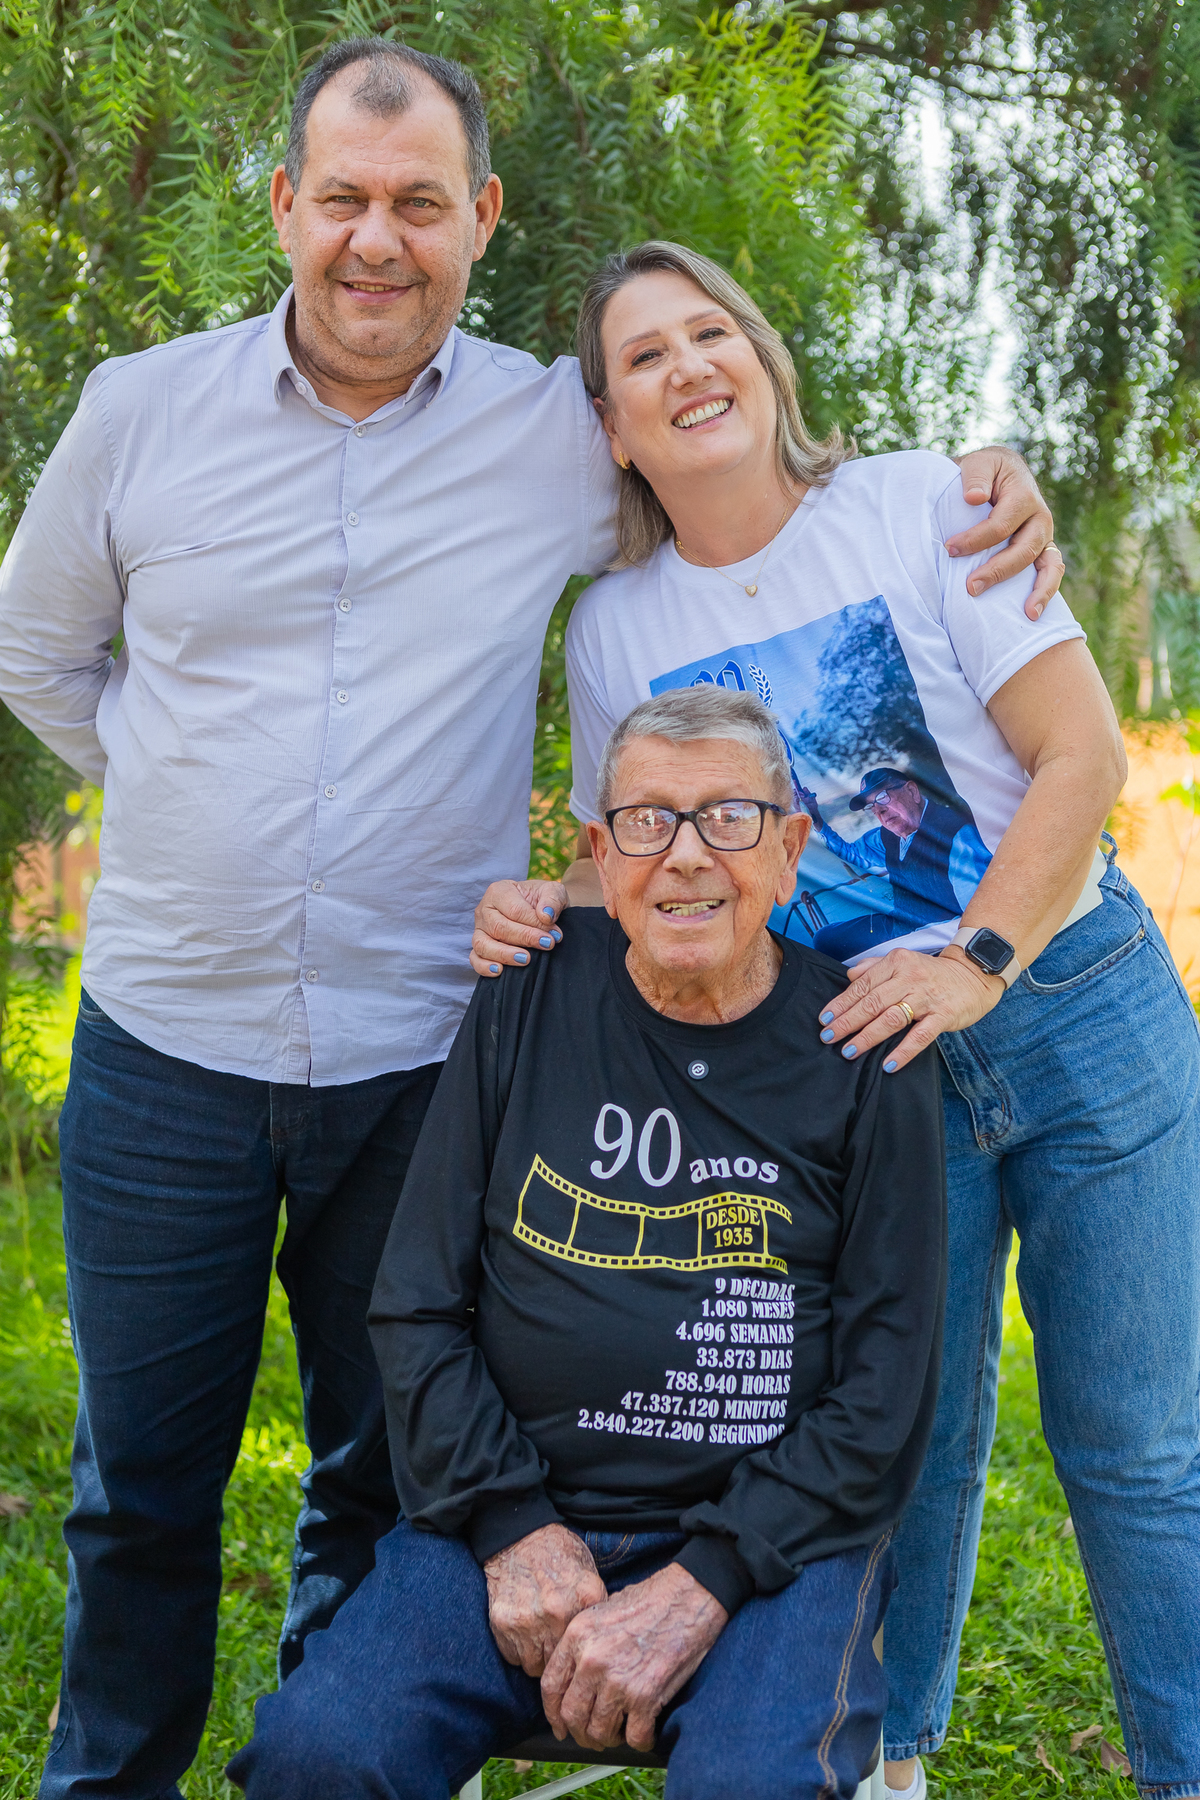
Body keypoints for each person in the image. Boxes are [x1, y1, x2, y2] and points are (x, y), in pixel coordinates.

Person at [0, 31, 1057, 1796]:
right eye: (345, 199)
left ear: (481, 218)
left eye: (420, 204)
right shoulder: (136, 411)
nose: (377, 240)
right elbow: (37, 656)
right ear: (286, 204)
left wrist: (972, 482)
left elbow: (736, 462)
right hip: (171, 1035)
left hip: (420, 1048)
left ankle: (347, 1741)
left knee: (376, 1477)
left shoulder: (550, 434)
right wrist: (191, 797)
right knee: (138, 1488)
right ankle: (107, 1779)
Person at [472, 239, 1200, 1800]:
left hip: (1076, 1005)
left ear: (764, 357)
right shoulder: (613, 631)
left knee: (1140, 1447)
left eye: (711, 331)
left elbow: (1079, 755)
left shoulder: (920, 506)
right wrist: (544, 901)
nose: (688, 366)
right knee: (906, 1445)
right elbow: (642, 856)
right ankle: (886, 1765)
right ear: (614, 428)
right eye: (645, 357)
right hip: (867, 1068)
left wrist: (976, 960)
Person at [226, 688, 948, 1800]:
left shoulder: (864, 1045)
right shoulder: (525, 998)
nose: (687, 855)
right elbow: (417, 1302)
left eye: (730, 817)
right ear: (602, 859)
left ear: (790, 849)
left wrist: (709, 1576)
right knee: (317, 1757)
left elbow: (885, 1390)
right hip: (512, 1514)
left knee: (756, 1786)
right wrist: (513, 1526)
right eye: (649, 821)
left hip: (772, 1549)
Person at [795, 768, 990, 962]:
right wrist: (815, 816)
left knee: (838, 954)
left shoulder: (956, 833)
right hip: (900, 922)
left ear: (912, 791)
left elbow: (975, 916)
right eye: (871, 806)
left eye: (882, 797)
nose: (879, 811)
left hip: (932, 934)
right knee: (825, 939)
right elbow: (850, 853)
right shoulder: (888, 836)